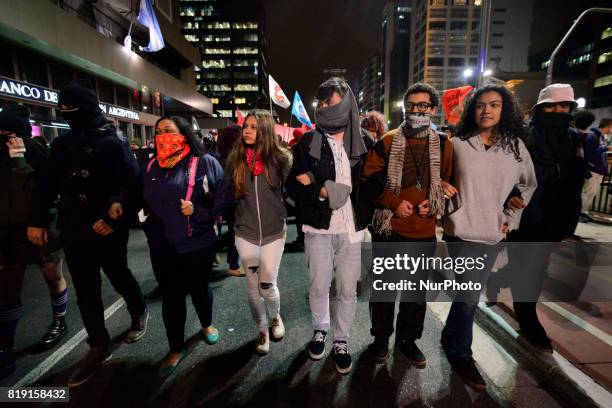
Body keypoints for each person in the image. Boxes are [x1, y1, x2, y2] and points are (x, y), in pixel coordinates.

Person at [28, 80, 148, 387]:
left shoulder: (113, 143)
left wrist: (116, 218)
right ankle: (98, 345)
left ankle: (138, 310)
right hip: (74, 229)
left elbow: (133, 187)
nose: (70, 117)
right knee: (86, 290)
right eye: (64, 111)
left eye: (74, 111)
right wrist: (38, 220)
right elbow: (46, 185)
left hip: (108, 228)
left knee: (118, 274)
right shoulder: (61, 145)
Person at [441, 83, 537, 390]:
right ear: (472, 109)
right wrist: (442, 189)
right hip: (459, 230)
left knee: (467, 295)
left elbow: (528, 185)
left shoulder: (516, 147)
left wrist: (512, 216)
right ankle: (456, 346)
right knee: (469, 294)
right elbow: (437, 177)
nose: (487, 110)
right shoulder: (457, 143)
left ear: (504, 109)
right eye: (481, 105)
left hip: (492, 232)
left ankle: (455, 344)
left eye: (494, 105)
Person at [361, 83, 454, 365]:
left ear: (433, 110)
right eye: (410, 105)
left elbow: (448, 182)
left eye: (422, 106)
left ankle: (407, 340)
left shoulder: (445, 144)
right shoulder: (386, 140)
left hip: (423, 230)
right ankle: (380, 338)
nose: (415, 111)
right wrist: (393, 202)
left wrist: (435, 201)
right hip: (388, 228)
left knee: (415, 295)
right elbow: (368, 180)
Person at [286, 77, 368, 374]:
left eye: (328, 101)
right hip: (318, 228)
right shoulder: (308, 141)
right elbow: (293, 185)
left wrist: (318, 183)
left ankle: (341, 339)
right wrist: (322, 190)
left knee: (347, 290)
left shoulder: (364, 142)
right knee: (319, 286)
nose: (323, 107)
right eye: (320, 102)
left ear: (345, 103)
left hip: (352, 230)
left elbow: (370, 186)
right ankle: (320, 328)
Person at [142, 115, 232, 378]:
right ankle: (175, 347)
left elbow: (224, 198)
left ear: (183, 134)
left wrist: (199, 212)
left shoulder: (205, 163)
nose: (162, 136)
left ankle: (206, 324)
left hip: (198, 244)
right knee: (171, 297)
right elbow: (143, 199)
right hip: (163, 247)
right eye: (158, 132)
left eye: (169, 131)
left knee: (199, 289)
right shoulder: (151, 167)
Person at [505, 83, 587, 353]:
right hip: (525, 218)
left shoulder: (574, 139)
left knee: (538, 269)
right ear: (541, 109)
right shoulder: (522, 138)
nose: (558, 111)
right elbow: (506, 176)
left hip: (555, 218)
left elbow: (575, 180)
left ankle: (527, 312)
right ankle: (528, 320)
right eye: (551, 106)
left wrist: (569, 220)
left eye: (564, 107)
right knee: (524, 269)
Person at [0, 105, 69, 379]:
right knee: (7, 287)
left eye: (5, 132)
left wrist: (19, 160)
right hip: (7, 230)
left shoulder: (38, 154)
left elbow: (40, 193)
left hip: (40, 226)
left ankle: (59, 321)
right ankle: (5, 345)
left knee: (53, 275)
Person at [226, 110, 292, 354]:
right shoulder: (236, 160)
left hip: (275, 234)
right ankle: (262, 329)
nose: (247, 131)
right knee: (253, 287)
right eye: (246, 126)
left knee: (267, 284)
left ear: (265, 130)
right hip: (246, 234)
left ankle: (275, 317)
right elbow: (225, 196)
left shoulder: (282, 159)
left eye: (253, 127)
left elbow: (295, 190)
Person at [216, 125, 243, 277]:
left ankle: (215, 250)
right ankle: (233, 265)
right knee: (236, 232)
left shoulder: (222, 156)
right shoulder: (232, 158)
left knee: (235, 231)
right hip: (232, 201)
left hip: (228, 201)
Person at [576, 111, 608, 222]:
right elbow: (589, 154)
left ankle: (583, 212)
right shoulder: (592, 136)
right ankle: (581, 213)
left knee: (591, 192)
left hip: (597, 170)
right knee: (587, 192)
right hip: (593, 169)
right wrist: (605, 149)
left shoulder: (599, 137)